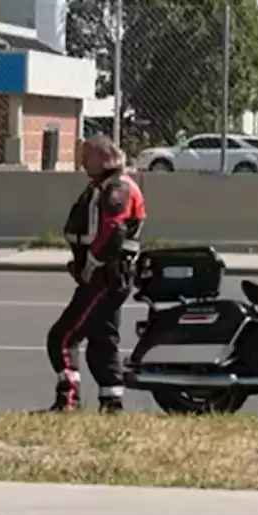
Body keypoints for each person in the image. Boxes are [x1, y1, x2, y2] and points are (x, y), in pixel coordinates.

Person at [44, 135, 146, 413]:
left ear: (104, 157)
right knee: (103, 340)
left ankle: (68, 400)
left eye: (86, 156)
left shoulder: (118, 188)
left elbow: (112, 230)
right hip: (107, 276)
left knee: (63, 337)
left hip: (105, 277)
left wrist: (90, 263)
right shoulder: (102, 186)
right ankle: (112, 403)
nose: (81, 161)